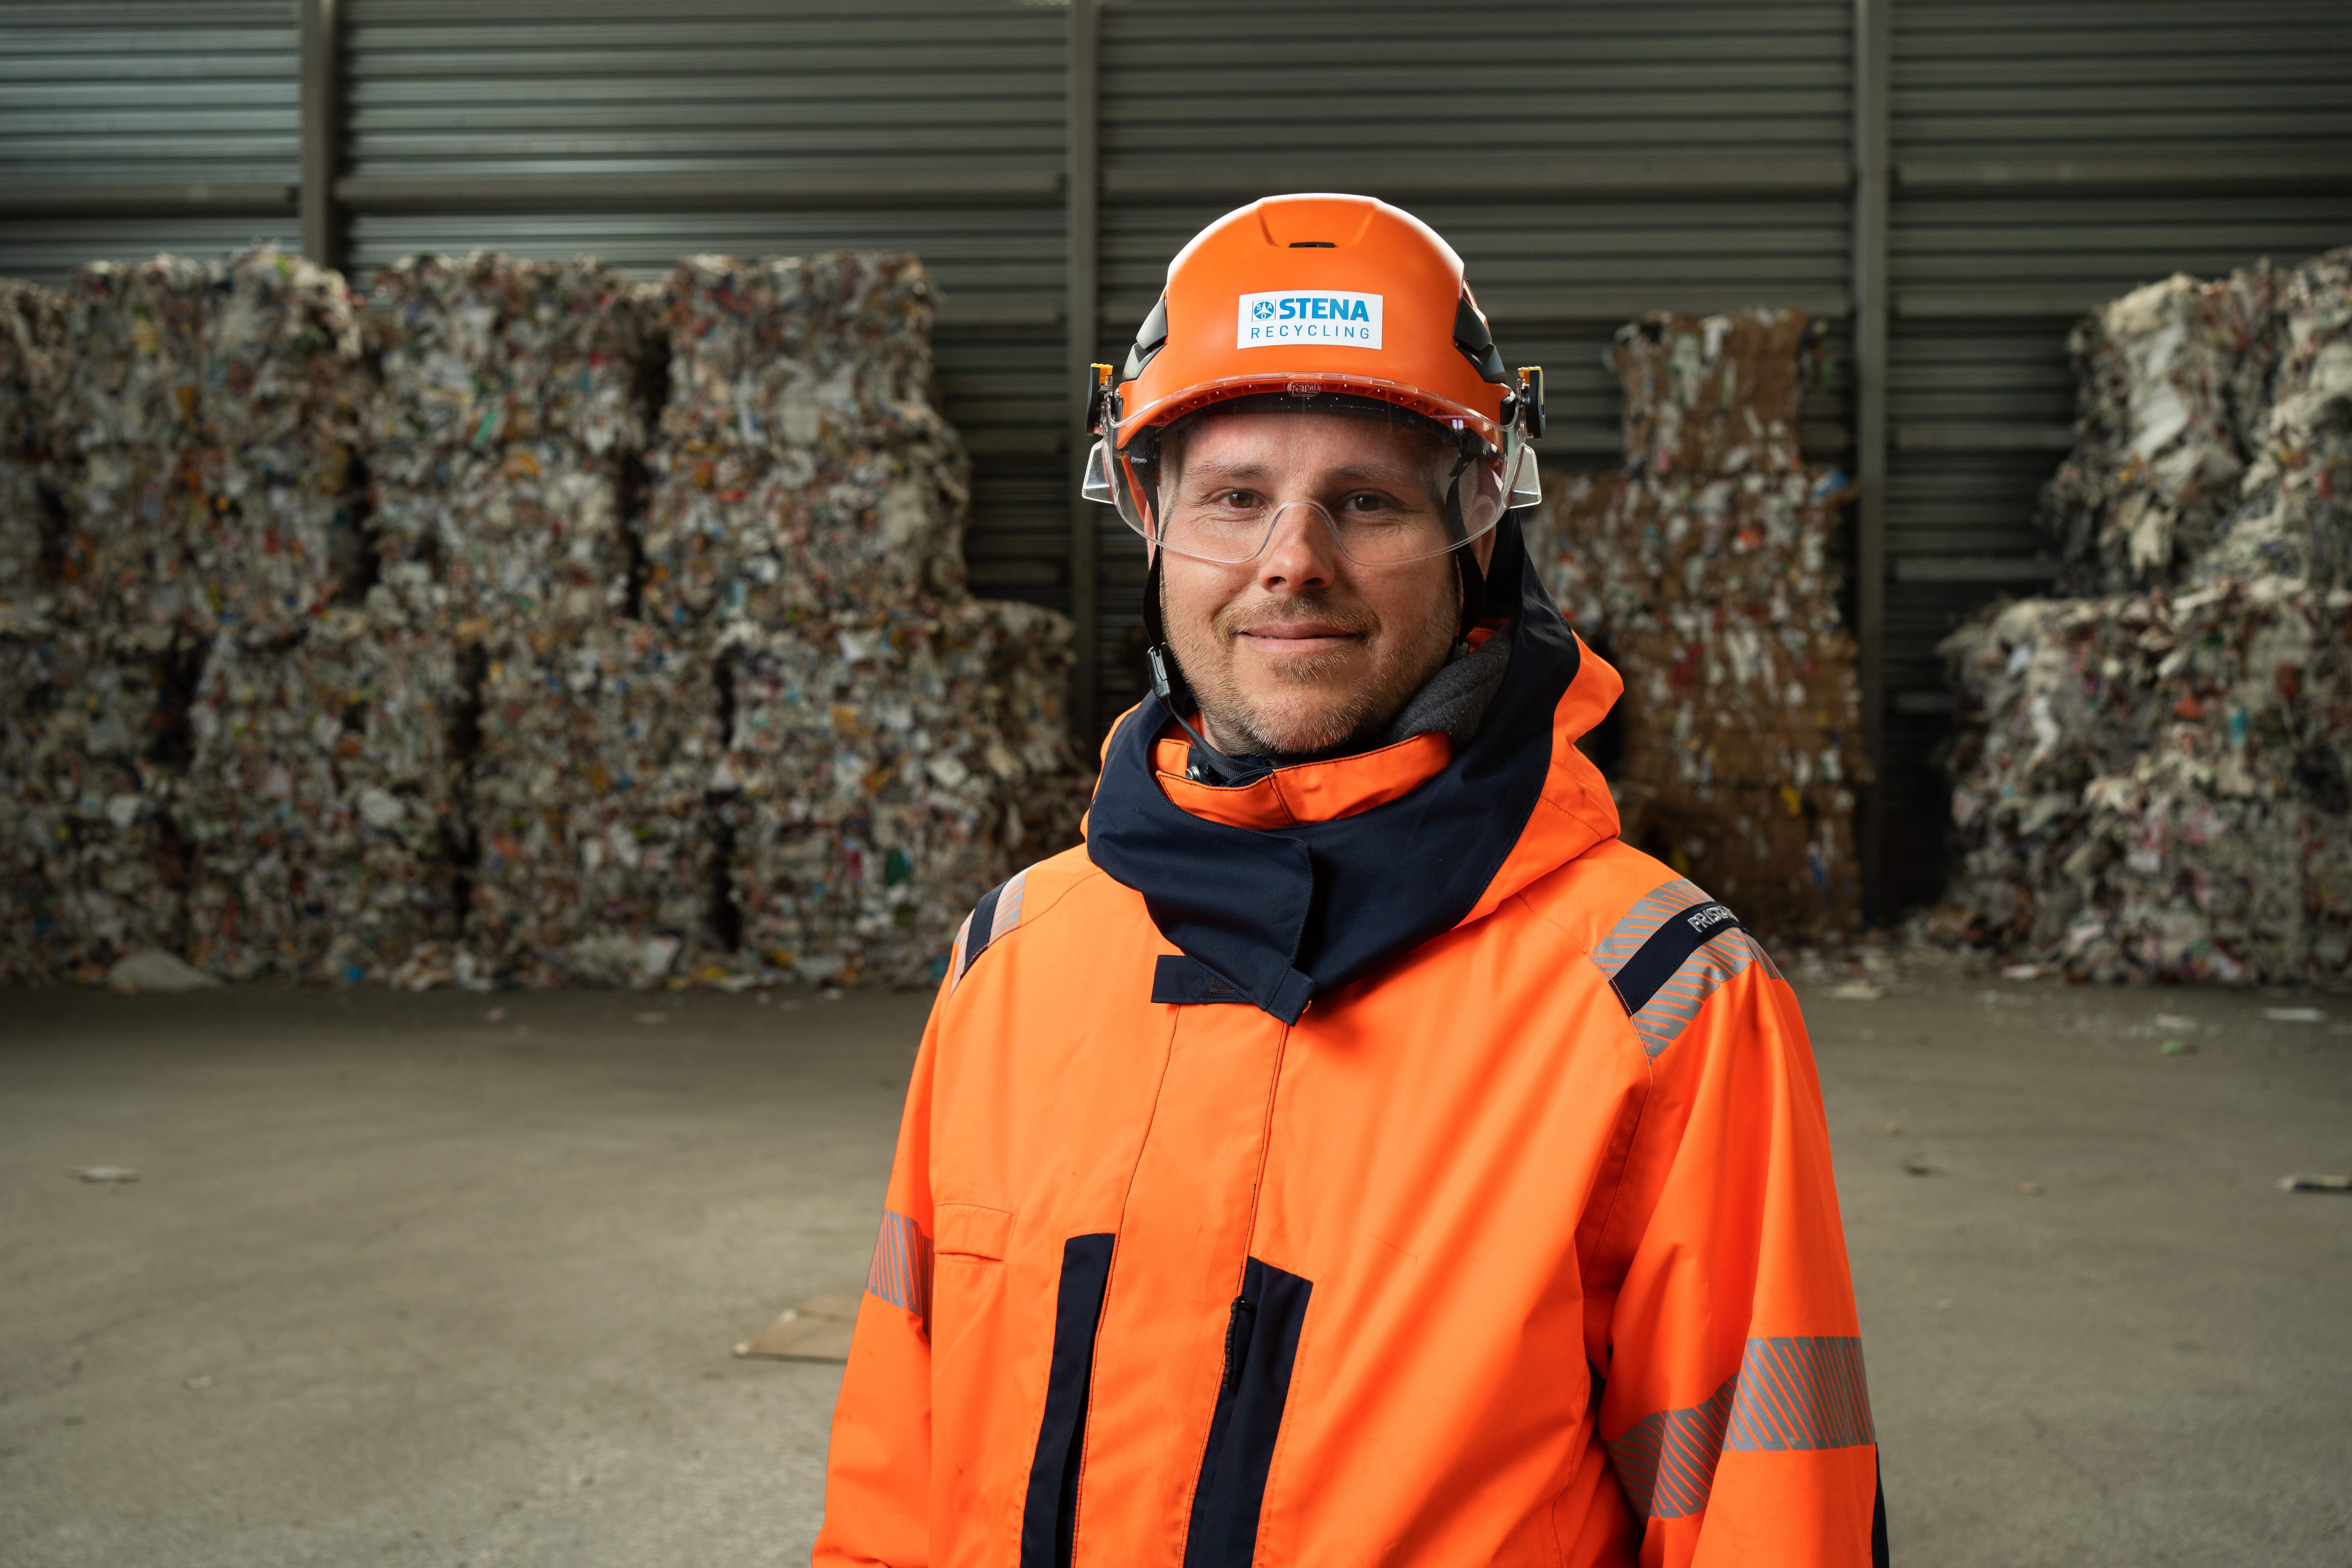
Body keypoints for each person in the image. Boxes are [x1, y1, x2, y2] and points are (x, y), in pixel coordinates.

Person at [813, 194, 1887, 1567]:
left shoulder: (1658, 999)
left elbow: (1764, 1515)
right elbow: (899, 1471)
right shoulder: (1015, 956)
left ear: (1479, 535)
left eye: (1365, 501)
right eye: (1236, 498)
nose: (1290, 564)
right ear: (1152, 525)